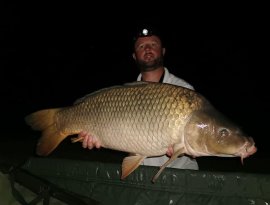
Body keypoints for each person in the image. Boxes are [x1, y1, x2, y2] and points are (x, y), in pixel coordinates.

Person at [78, 26, 198, 170]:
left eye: (153, 44)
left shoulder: (184, 93)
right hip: (140, 172)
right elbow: (129, 141)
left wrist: (188, 148)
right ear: (135, 56)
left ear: (163, 51)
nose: (147, 48)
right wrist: (95, 137)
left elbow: (197, 143)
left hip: (181, 176)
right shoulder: (125, 96)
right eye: (141, 46)